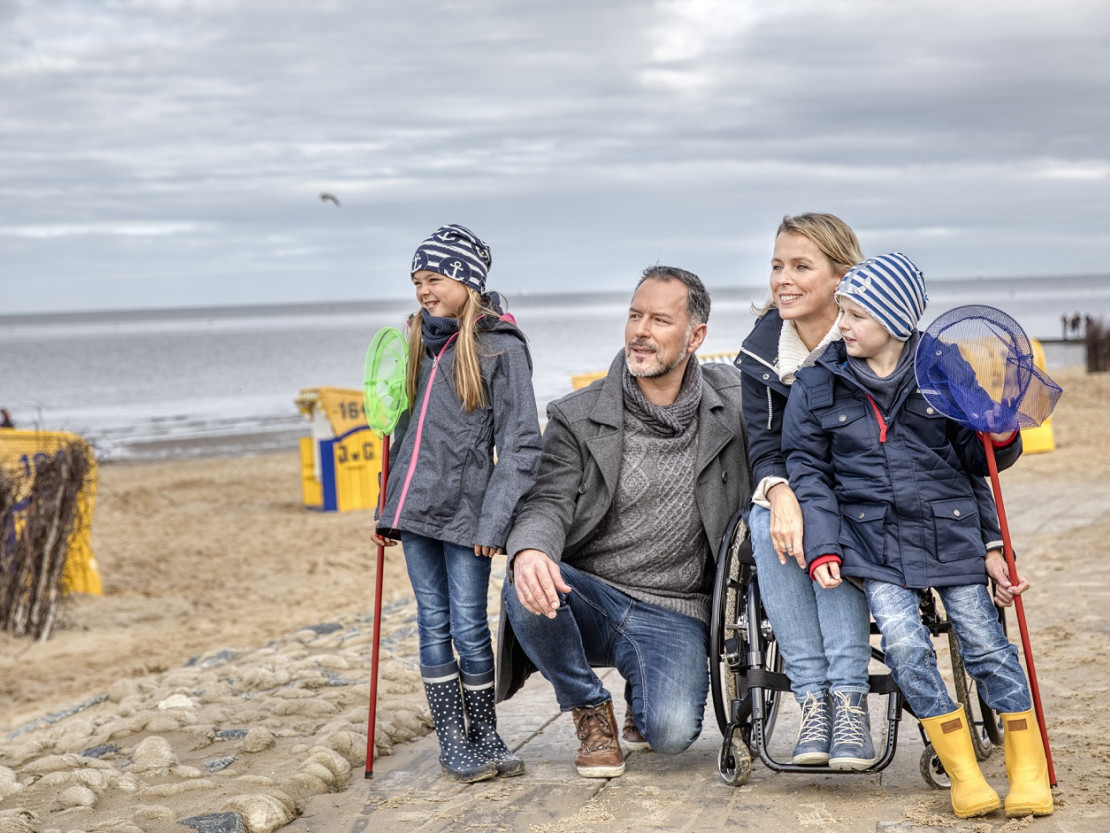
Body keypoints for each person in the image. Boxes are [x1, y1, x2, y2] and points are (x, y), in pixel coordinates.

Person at [783, 253, 1053, 819]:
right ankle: (962, 768)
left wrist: (994, 530)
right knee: (905, 644)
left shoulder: (945, 368)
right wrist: (823, 545)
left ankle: (1026, 765)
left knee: (983, 642)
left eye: (856, 314)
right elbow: (808, 470)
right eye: (842, 312)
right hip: (871, 542)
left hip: (948, 532)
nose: (843, 325)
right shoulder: (816, 382)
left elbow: (972, 461)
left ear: (895, 319)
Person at [496, 266, 751, 779]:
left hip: (678, 610)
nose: (640, 330)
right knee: (527, 580)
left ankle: (642, 689)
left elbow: (794, 375)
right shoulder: (577, 415)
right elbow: (547, 499)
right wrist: (530, 550)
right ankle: (589, 706)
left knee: (672, 736)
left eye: (660, 319)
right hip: (591, 596)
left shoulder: (736, 404)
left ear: (695, 336)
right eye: (635, 315)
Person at [373, 224, 543, 783]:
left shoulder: (501, 347)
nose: (424, 289)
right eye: (418, 280)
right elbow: (399, 430)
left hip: (470, 517)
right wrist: (386, 510)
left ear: (468, 281)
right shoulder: (413, 342)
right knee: (431, 620)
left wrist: (496, 521)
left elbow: (520, 445)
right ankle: (452, 739)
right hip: (414, 511)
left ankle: (485, 731)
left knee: (470, 624)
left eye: (436, 278)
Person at [734, 213, 876, 770]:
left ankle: (849, 703)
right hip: (795, 481)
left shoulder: (869, 336)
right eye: (776, 266)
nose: (782, 280)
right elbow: (763, 445)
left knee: (826, 526)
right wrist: (781, 495)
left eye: (800, 266)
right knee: (762, 526)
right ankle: (813, 700)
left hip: (864, 493)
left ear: (842, 276)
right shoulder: (762, 351)